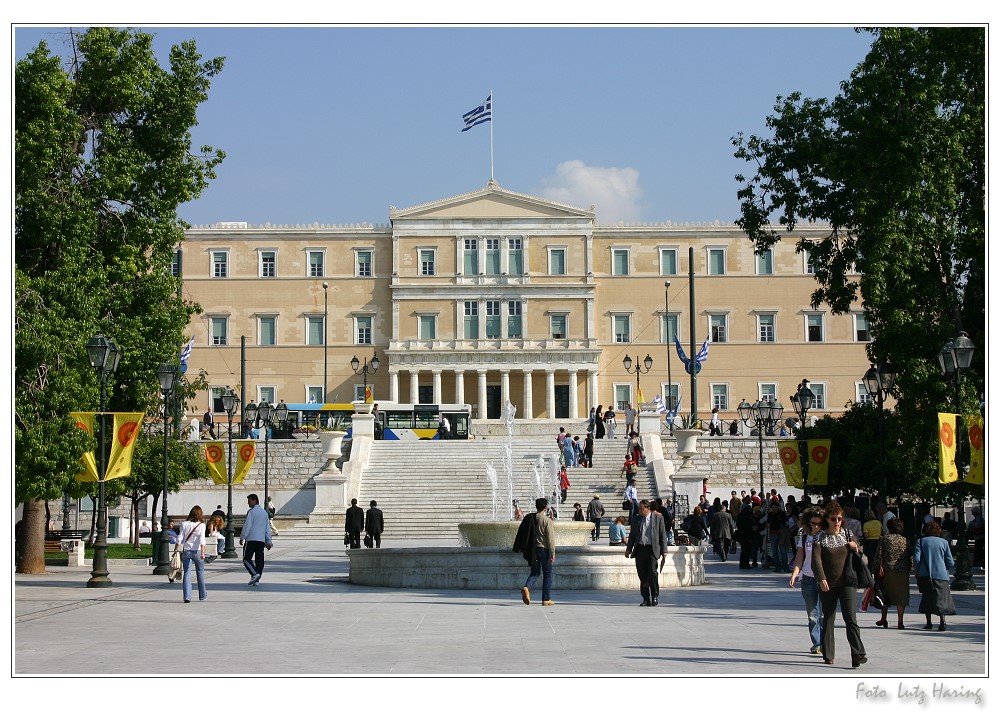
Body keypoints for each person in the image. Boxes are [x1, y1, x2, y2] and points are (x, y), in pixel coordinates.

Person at [812, 501, 868, 668]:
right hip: (828, 583)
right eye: (833, 519)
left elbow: (860, 552)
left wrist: (855, 546)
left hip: (847, 582)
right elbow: (816, 561)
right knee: (828, 617)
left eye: (839, 518)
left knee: (850, 617)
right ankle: (828, 653)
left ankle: (857, 653)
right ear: (827, 520)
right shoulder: (820, 537)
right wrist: (821, 578)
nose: (837, 522)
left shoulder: (848, 534)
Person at [789, 507, 826, 654]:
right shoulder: (804, 537)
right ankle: (817, 643)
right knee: (812, 614)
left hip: (824, 579)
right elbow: (799, 557)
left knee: (823, 614)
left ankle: (825, 642)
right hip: (808, 579)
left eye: (819, 523)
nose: (816, 526)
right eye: (813, 523)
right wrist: (794, 575)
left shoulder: (826, 537)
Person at [512, 497, 556, 606]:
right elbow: (550, 539)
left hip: (533, 550)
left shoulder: (531, 518)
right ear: (545, 507)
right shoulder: (546, 520)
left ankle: (527, 587)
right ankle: (546, 599)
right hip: (544, 550)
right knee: (547, 574)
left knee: (535, 572)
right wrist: (553, 553)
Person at [625, 499, 669, 606]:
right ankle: (645, 598)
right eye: (639, 508)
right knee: (642, 574)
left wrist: (664, 550)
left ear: (648, 509)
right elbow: (632, 536)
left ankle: (654, 595)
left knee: (652, 573)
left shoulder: (658, 518)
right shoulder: (636, 519)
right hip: (640, 549)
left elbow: (662, 534)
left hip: (652, 549)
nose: (639, 510)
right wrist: (628, 549)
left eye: (641, 508)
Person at [914, 521, 956, 631]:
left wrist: (917, 570)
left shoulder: (921, 541)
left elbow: (917, 559)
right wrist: (943, 567)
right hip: (941, 575)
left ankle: (929, 622)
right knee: (941, 599)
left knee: (927, 598)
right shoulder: (944, 542)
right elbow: (950, 561)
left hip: (925, 575)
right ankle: (942, 621)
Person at [873, 517, 912, 629]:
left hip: (887, 571)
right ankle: (900, 621)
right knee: (901, 597)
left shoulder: (884, 539)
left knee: (884, 594)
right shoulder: (905, 541)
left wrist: (874, 570)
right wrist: (909, 568)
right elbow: (909, 556)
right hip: (902, 571)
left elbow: (878, 556)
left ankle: (884, 618)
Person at [174, 505, 207, 603]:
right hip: (197, 551)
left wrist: (176, 550)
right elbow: (202, 540)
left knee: (187, 574)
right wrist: (203, 552)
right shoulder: (201, 525)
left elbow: (179, 538)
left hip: (187, 551)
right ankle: (202, 596)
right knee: (200, 573)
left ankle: (187, 597)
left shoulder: (184, 524)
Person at [239, 494, 273, 586]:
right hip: (261, 540)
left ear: (254, 500)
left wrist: (242, 537)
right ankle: (257, 579)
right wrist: (268, 540)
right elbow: (267, 528)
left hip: (251, 539)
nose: (248, 503)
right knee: (259, 560)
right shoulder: (264, 513)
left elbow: (247, 526)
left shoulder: (252, 512)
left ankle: (255, 574)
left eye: (249, 501)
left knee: (246, 559)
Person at [736, 503, 757, 569]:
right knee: (747, 551)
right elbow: (748, 527)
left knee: (743, 551)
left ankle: (743, 564)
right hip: (747, 536)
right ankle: (745, 564)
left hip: (741, 535)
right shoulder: (747, 517)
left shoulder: (740, 516)